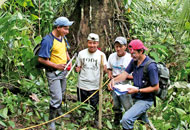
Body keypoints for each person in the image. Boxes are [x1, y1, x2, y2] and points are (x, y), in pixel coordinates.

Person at [108, 39, 159, 130]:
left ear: (141, 51)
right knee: (143, 121)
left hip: (145, 100)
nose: (132, 56)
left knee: (126, 119)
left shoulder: (151, 66)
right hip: (136, 97)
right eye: (131, 54)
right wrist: (113, 81)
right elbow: (124, 75)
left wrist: (138, 90)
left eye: (134, 53)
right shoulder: (134, 61)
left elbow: (156, 87)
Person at [38, 16, 73, 130]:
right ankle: (51, 120)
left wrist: (69, 60)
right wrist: (56, 65)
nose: (67, 31)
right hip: (53, 72)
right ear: (58, 28)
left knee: (62, 93)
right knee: (56, 96)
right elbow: (41, 59)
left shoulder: (63, 37)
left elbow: (65, 50)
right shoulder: (48, 40)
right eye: (65, 29)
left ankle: (58, 112)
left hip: (62, 71)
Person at [75, 33, 107, 126]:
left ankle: (96, 120)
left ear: (97, 43)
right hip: (82, 84)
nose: (92, 45)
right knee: (82, 104)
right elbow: (79, 66)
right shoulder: (81, 53)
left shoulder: (101, 55)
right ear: (87, 43)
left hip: (95, 85)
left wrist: (104, 68)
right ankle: (81, 119)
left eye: (94, 43)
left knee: (94, 105)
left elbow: (105, 69)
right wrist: (77, 69)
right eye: (90, 43)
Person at [107, 36, 133, 125]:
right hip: (114, 85)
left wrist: (122, 76)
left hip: (125, 86)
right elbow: (109, 68)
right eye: (116, 46)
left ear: (125, 46)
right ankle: (117, 120)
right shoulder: (112, 56)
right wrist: (110, 75)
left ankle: (129, 122)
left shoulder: (130, 58)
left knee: (127, 105)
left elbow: (134, 76)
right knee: (116, 104)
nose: (118, 49)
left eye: (120, 46)